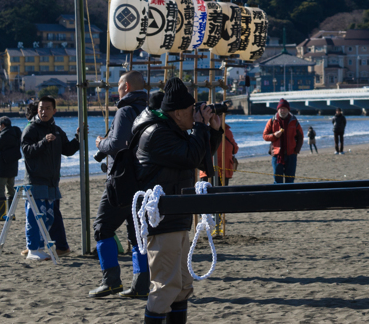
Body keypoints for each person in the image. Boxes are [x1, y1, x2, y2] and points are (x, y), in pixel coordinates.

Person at [132, 77, 222, 324]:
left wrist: (212, 131)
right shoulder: (156, 133)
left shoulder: (173, 130)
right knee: (165, 287)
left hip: (177, 215)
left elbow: (199, 158)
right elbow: (191, 157)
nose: (195, 113)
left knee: (182, 285)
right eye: (192, 110)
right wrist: (201, 127)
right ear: (179, 112)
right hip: (163, 220)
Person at [89, 71, 149, 298]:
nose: (117, 89)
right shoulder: (147, 110)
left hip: (121, 180)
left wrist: (100, 143)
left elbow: (118, 144)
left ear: (126, 87)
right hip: (143, 178)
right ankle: (141, 284)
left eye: (118, 85)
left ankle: (111, 281)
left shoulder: (125, 110)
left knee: (102, 228)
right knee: (137, 233)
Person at [20, 94, 82, 261]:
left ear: (54, 110)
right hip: (35, 181)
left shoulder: (57, 130)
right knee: (35, 217)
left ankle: (39, 247)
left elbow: (67, 150)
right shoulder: (31, 128)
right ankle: (33, 249)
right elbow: (26, 150)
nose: (43, 111)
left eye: (47, 108)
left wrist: (78, 138)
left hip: (52, 182)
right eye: (41, 108)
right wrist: (43, 142)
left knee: (49, 218)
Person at [0, 116, 22, 221]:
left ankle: (1, 215)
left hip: (2, 166)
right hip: (13, 165)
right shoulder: (16, 132)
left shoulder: (5, 134)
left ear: (2, 125)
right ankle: (11, 214)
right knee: (10, 189)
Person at [263, 98, 303, 183]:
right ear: (277, 110)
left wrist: (296, 150)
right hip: (277, 155)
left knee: (290, 180)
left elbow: (300, 136)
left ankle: (289, 192)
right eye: (280, 109)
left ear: (288, 110)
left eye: (284, 109)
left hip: (291, 154)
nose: (282, 111)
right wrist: (274, 135)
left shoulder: (294, 121)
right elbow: (265, 136)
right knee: (277, 181)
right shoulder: (272, 121)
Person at [199, 115, 238, 185]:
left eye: (220, 116)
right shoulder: (205, 131)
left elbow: (235, 149)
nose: (219, 118)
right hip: (210, 171)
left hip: (223, 170)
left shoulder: (227, 132)